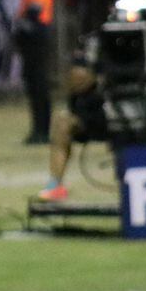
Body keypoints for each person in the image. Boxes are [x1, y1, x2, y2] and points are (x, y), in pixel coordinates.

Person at [37, 51, 107, 202]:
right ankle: (55, 185)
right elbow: (77, 74)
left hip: (127, 110)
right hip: (91, 115)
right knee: (61, 122)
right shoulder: (90, 48)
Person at [15, 0, 56, 144]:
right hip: (31, 38)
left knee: (39, 85)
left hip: (37, 37)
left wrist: (20, 26)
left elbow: (34, 12)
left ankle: (42, 130)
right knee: (33, 86)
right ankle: (38, 129)